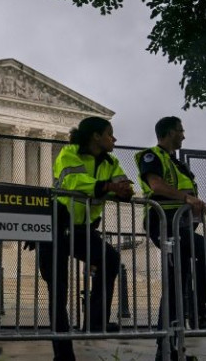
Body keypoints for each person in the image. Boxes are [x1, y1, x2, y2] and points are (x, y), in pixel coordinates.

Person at [38, 116, 134, 361]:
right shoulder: (68, 153)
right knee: (59, 292)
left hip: (83, 229)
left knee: (110, 260)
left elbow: (123, 183)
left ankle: (95, 320)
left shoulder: (110, 162)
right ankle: (63, 355)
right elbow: (74, 181)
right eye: (110, 134)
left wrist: (125, 189)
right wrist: (110, 187)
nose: (115, 139)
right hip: (56, 226)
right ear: (96, 136)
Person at [135, 116, 206, 361]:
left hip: (180, 225)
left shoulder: (177, 163)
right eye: (181, 130)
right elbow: (156, 185)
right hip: (162, 222)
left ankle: (168, 350)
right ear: (169, 132)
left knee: (176, 285)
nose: (184, 135)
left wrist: (194, 208)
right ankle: (198, 311)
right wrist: (187, 199)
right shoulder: (151, 156)